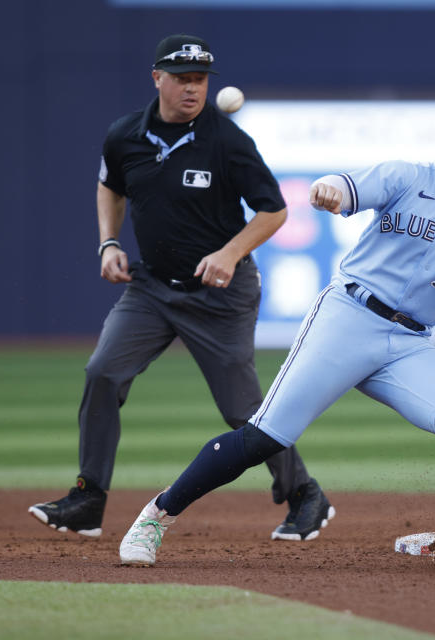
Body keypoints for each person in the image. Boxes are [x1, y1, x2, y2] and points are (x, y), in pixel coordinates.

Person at [117, 90, 435, 570]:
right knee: (264, 437)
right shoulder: (408, 176)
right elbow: (344, 187)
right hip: (347, 317)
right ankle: (157, 515)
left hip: (409, 342)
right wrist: (329, 190)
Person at [28, 34, 334, 544]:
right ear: (158, 79)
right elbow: (110, 184)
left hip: (221, 295)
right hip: (151, 288)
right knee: (103, 371)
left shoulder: (228, 141)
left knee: (243, 411)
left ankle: (304, 494)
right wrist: (107, 242)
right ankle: (88, 498)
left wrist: (231, 252)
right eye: (182, 78)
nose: (193, 88)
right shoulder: (125, 134)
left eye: (200, 79)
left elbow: (275, 211)